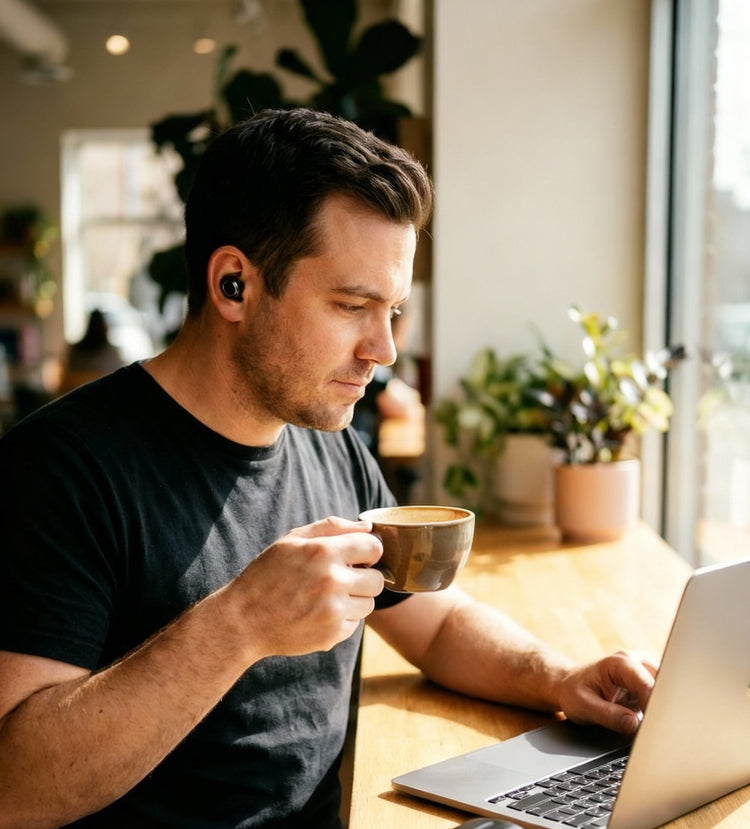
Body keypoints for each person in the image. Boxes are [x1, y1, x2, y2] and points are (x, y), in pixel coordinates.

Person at [0, 108, 657, 829]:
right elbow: (16, 788)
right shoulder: (59, 470)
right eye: (353, 306)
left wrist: (560, 678)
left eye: (394, 310)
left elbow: (433, 626)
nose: (385, 349)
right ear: (233, 286)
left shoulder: (327, 439)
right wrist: (238, 624)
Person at [58, 308, 125, 394]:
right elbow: (118, 380)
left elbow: (66, 378)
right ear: (104, 326)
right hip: (103, 398)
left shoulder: (75, 350)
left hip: (77, 397)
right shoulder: (111, 352)